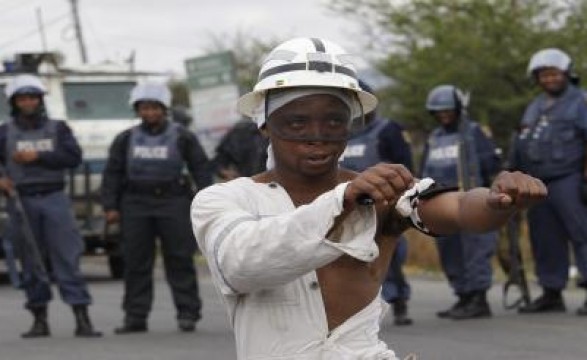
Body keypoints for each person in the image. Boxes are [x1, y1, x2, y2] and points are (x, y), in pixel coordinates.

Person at [191, 37, 546, 359]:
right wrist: (340, 202)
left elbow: (457, 208)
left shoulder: (378, 194)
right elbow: (242, 263)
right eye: (297, 123)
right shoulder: (224, 200)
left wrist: (498, 200)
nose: (317, 136)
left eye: (333, 122)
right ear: (264, 124)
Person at [101, 83, 212, 333]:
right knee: (136, 262)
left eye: (154, 108)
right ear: (137, 110)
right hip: (135, 204)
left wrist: (206, 202)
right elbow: (113, 173)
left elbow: (201, 169)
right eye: (144, 108)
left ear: (164, 109)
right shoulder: (126, 138)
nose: (149, 113)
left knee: (179, 258)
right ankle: (135, 317)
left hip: (173, 201)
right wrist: (110, 206)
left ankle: (188, 313)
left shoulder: (183, 136)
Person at [0, 74, 101, 338]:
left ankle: (82, 318)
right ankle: (39, 320)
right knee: (31, 260)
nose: (28, 102)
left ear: (40, 100)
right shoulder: (5, 131)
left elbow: (73, 157)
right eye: (22, 98)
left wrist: (39, 156)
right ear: (15, 102)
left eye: (32, 97)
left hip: (55, 197)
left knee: (67, 258)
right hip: (21, 201)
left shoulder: (58, 129)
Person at [509, 48, 587, 315]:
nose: (549, 79)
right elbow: (520, 143)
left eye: (554, 73)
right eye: (543, 75)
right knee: (545, 237)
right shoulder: (535, 106)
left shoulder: (581, 101)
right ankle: (552, 292)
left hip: (571, 178)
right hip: (537, 183)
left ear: (566, 73)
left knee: (583, 234)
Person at [421, 85, 501, 320]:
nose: (444, 115)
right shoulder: (434, 138)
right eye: (438, 111)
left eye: (448, 110)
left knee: (476, 249)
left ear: (459, 109)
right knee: (450, 251)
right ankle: (463, 296)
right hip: (441, 203)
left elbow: (491, 166)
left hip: (471, 201)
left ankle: (478, 299)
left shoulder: (474, 132)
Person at [339, 79, 414, 326]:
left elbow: (406, 167)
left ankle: (398, 300)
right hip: (347, 206)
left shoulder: (388, 129)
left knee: (388, 259)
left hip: (384, 204)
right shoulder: (340, 135)